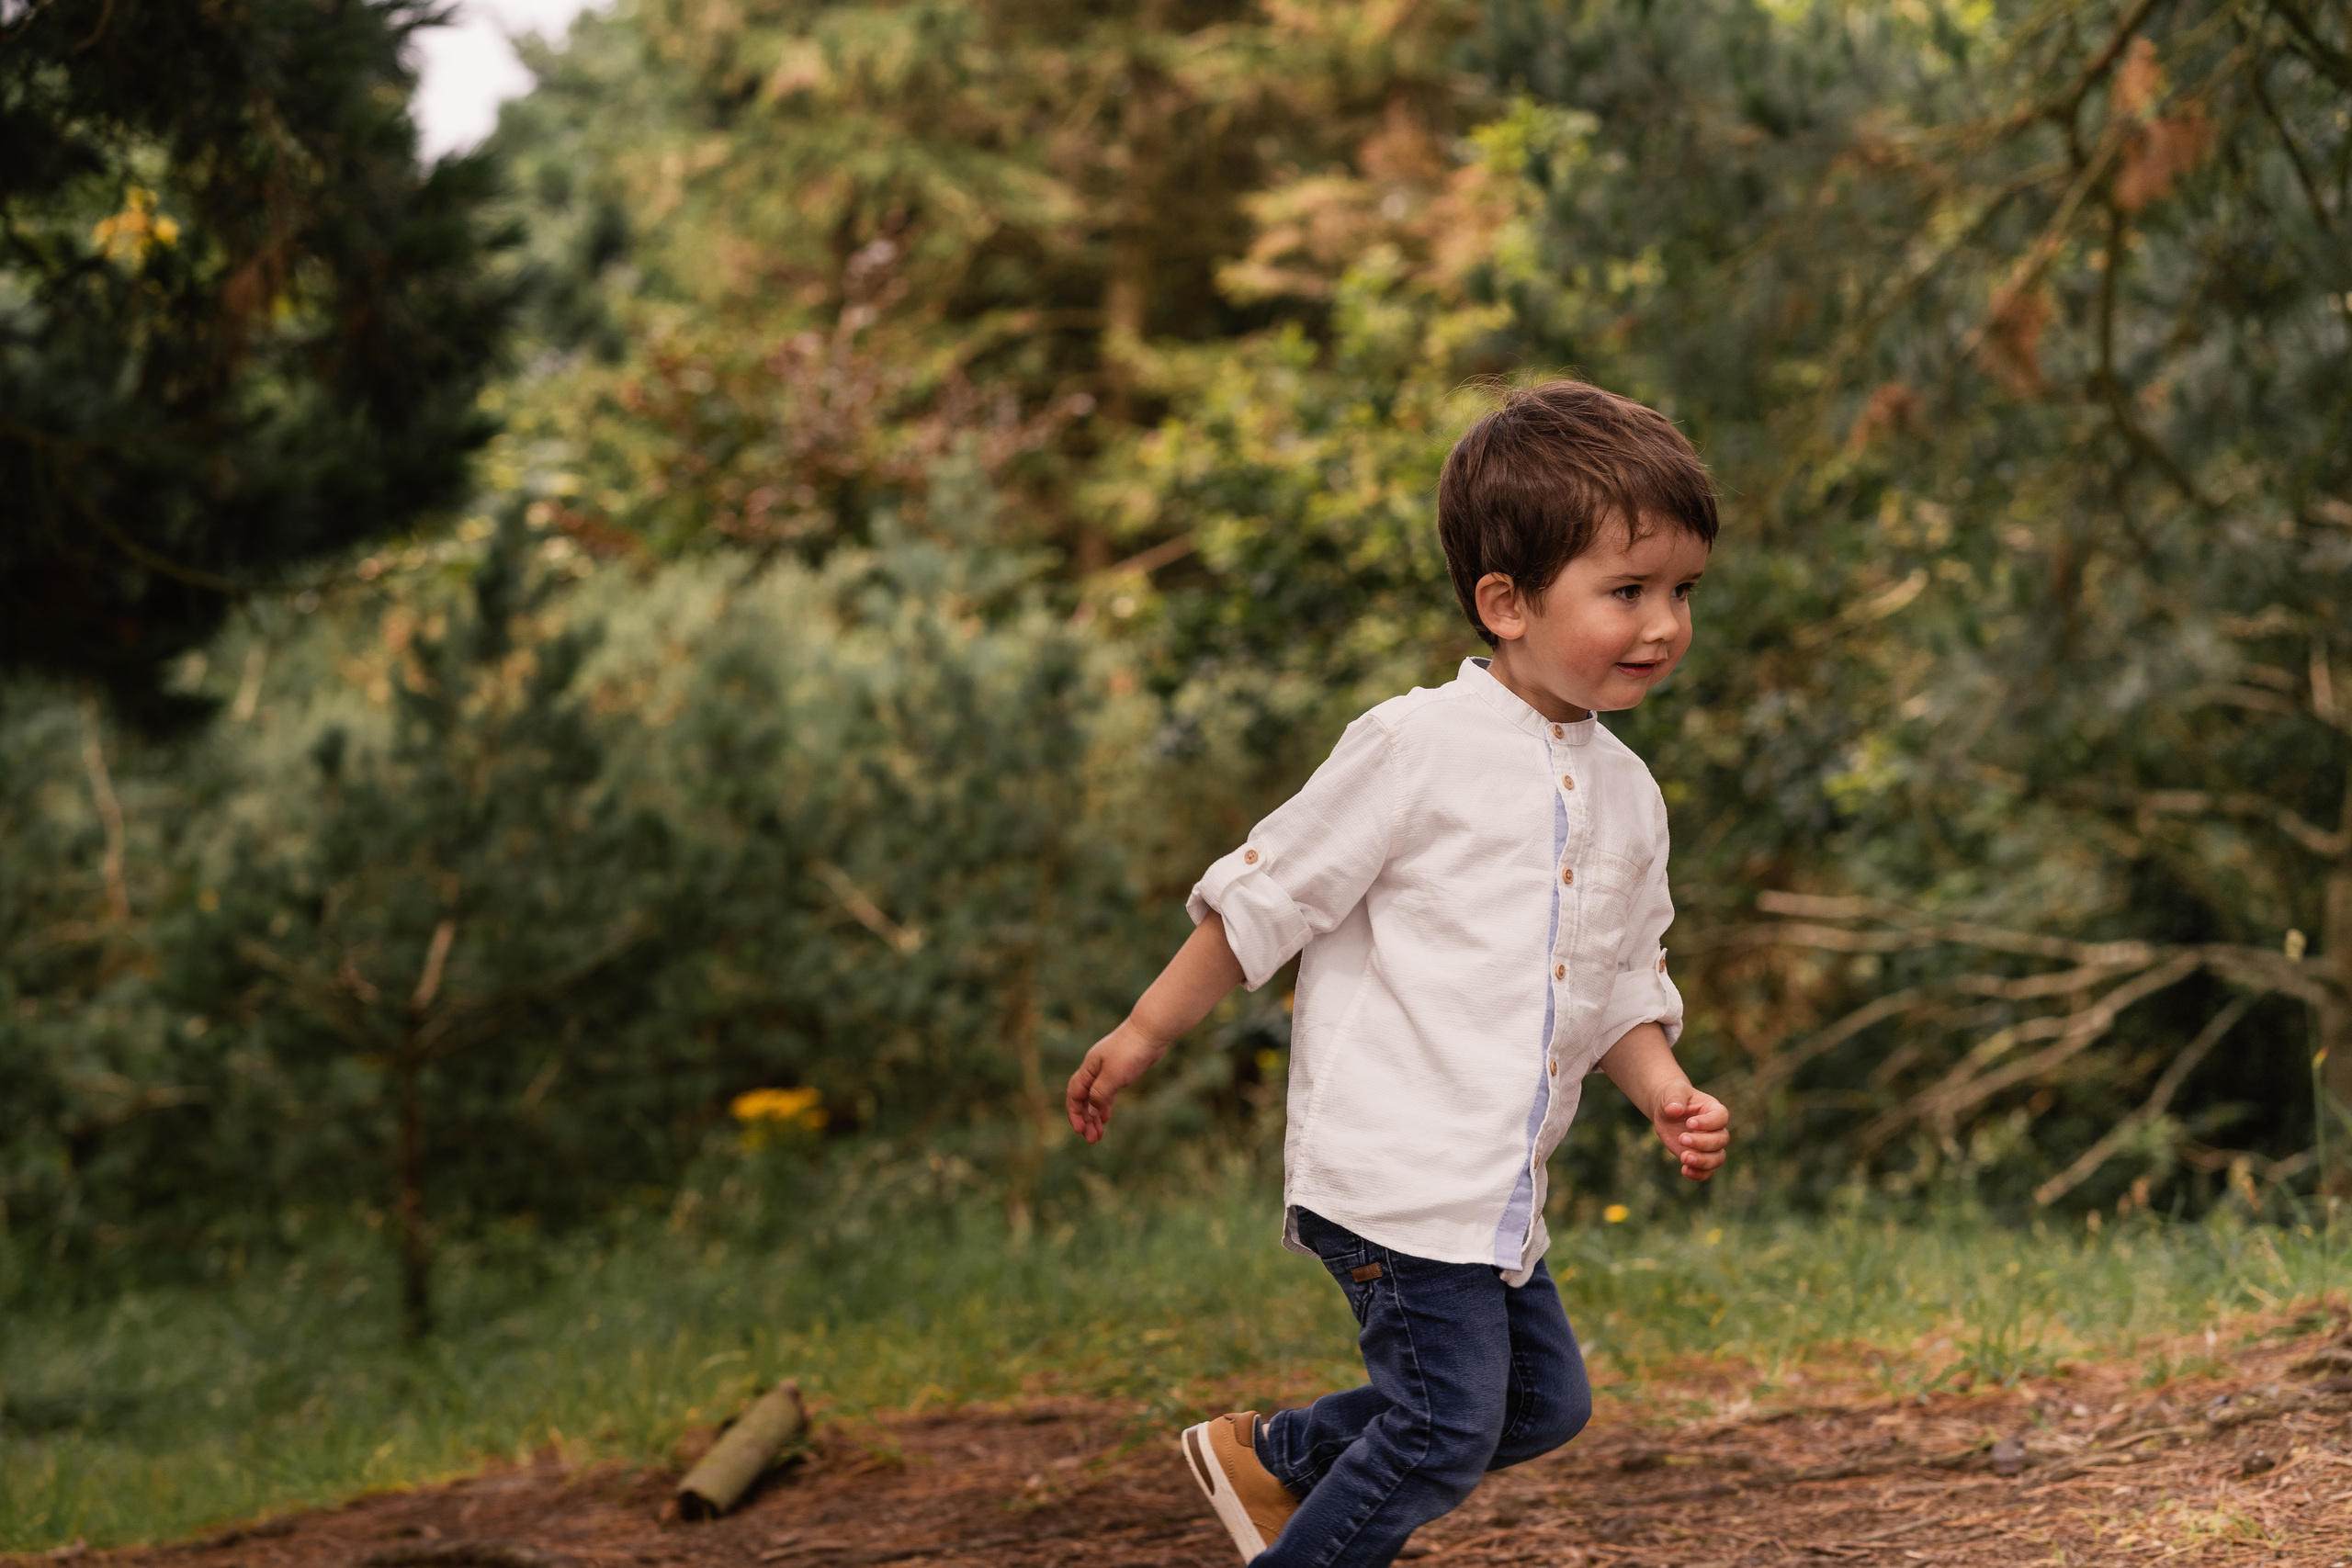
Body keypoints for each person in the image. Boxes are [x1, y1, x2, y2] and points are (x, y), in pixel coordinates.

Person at [1064, 378, 1735, 1568]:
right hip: (1393, 1174)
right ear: (1507, 601)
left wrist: (1665, 1090)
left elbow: (1622, 982)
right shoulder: (1416, 746)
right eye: (1627, 591)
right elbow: (1265, 899)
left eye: (1682, 590)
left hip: (1490, 1192)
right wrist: (1142, 1032)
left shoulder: (1628, 793)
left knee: (1542, 1410)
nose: (1664, 624)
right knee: (1439, 1431)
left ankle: (1276, 1460)